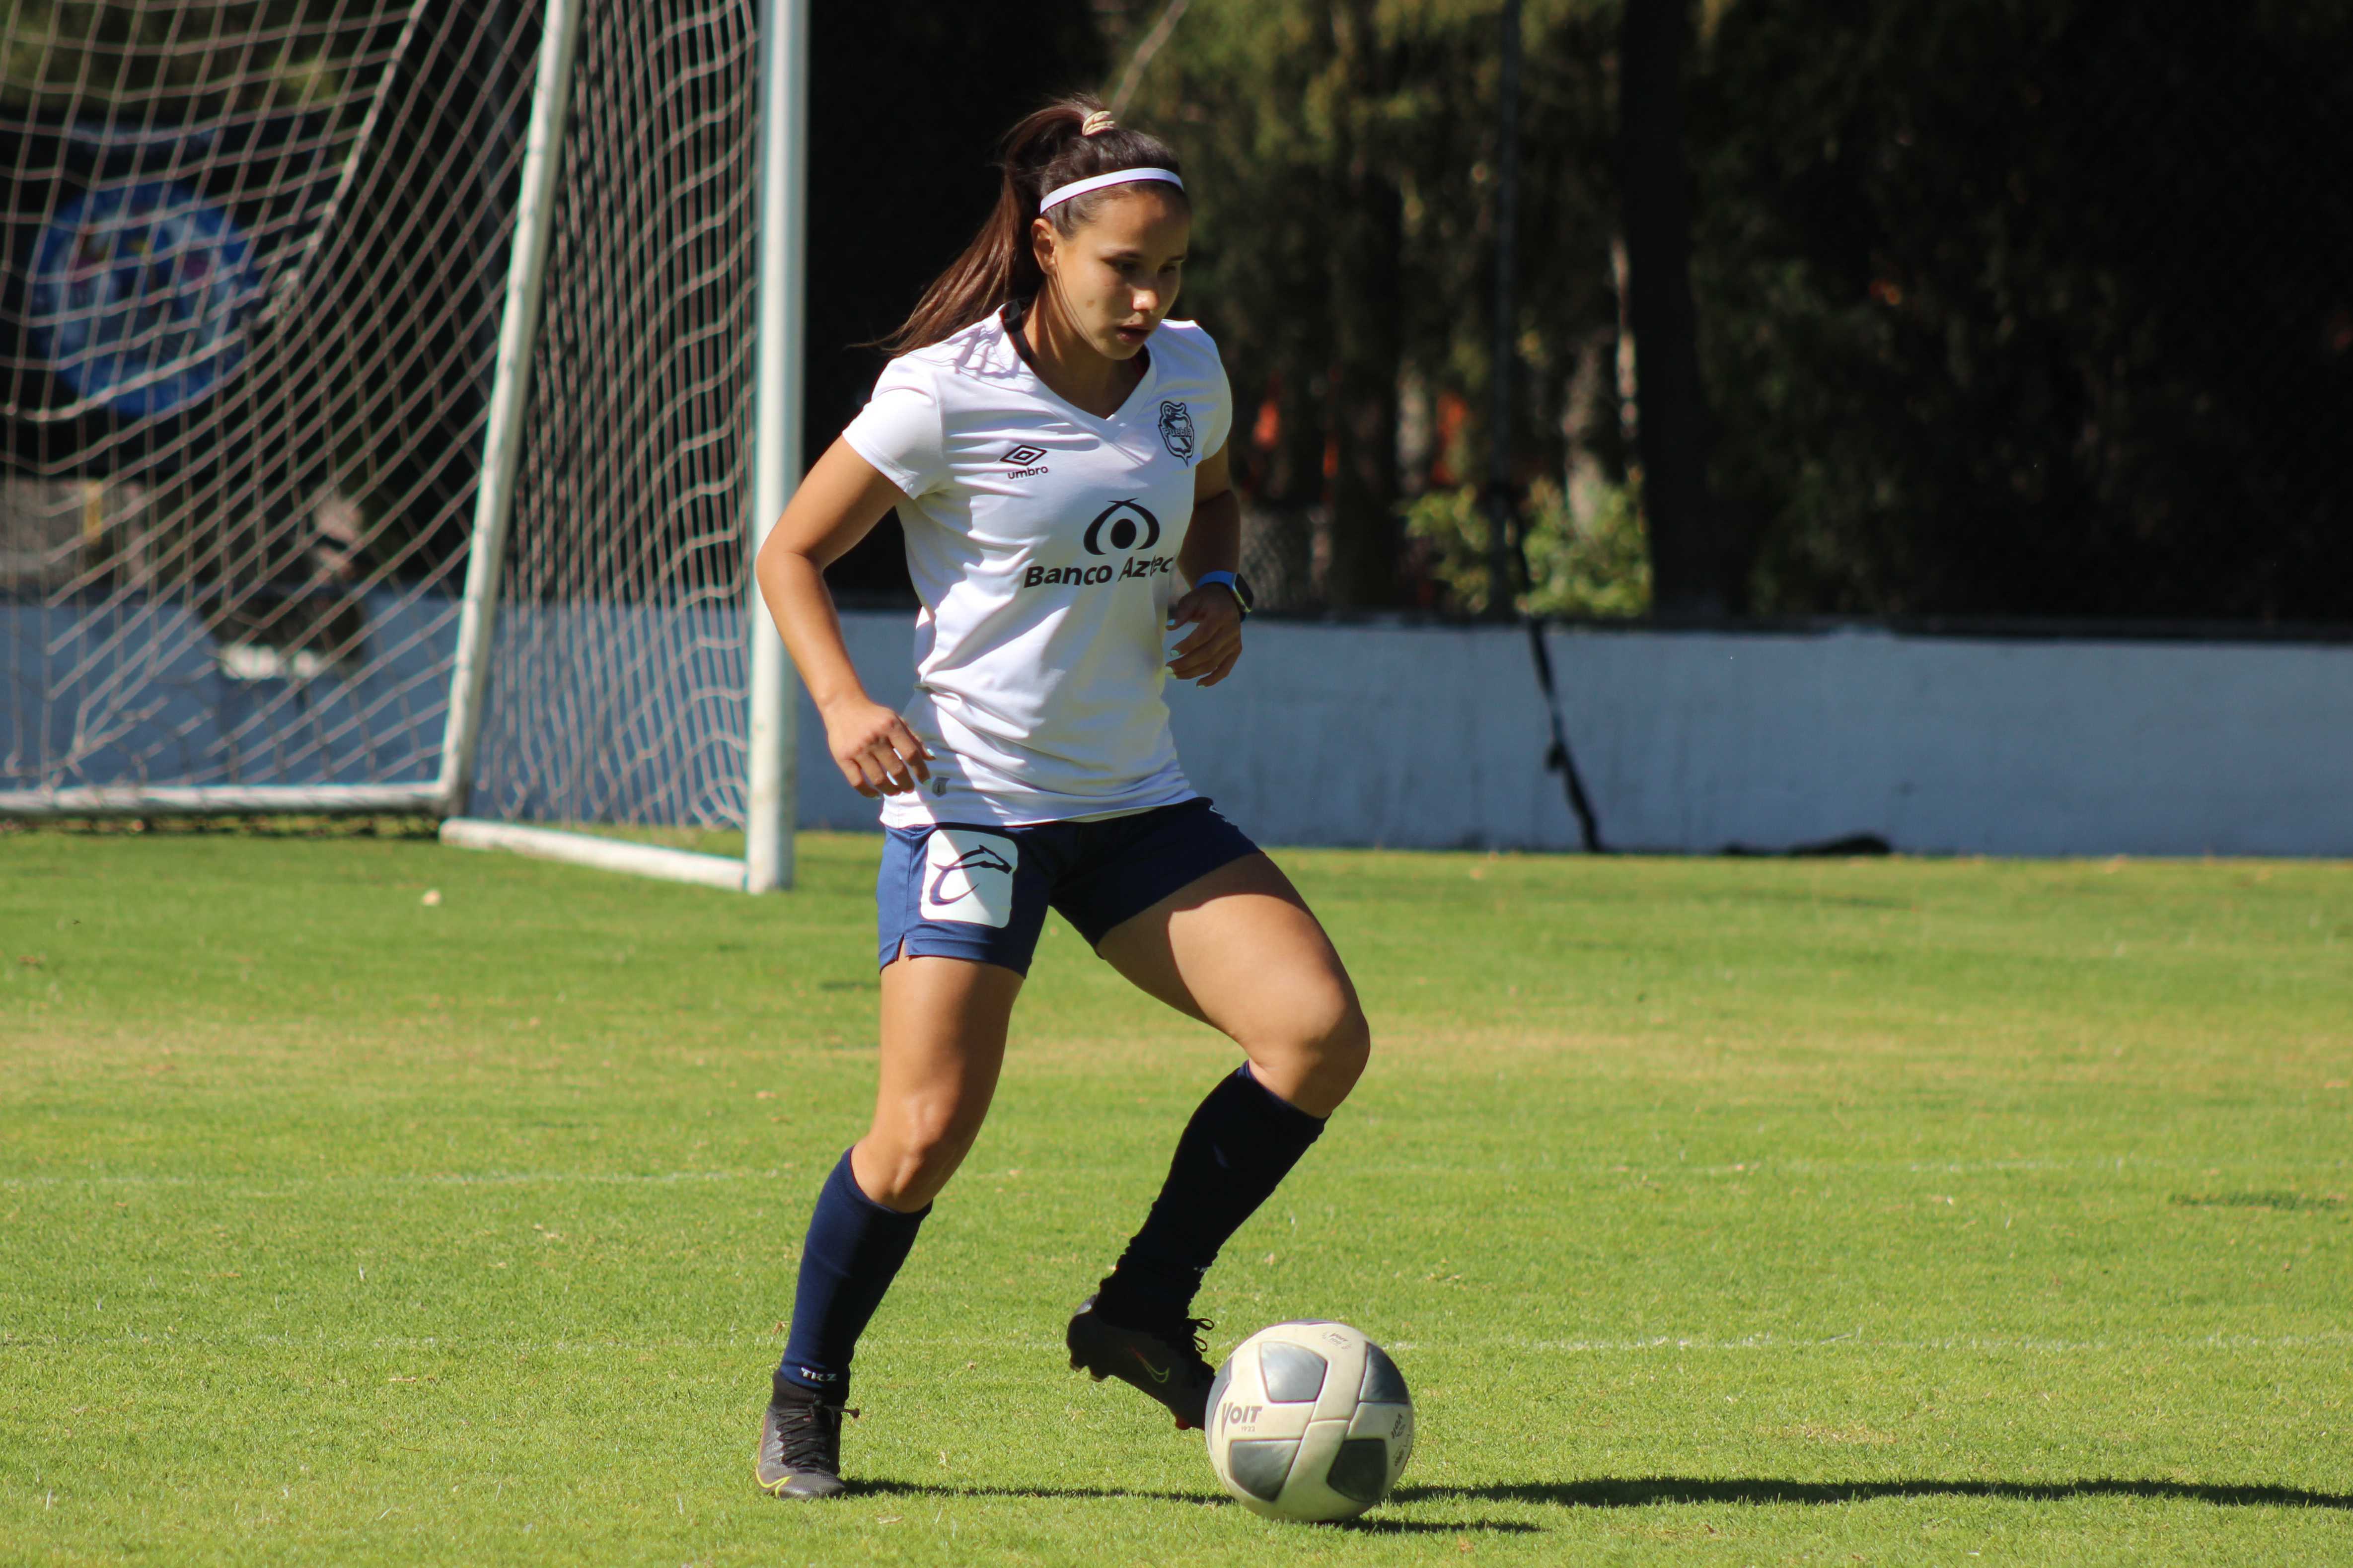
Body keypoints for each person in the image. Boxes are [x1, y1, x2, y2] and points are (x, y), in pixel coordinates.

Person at [748, 95, 1370, 1499]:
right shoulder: (942, 389)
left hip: (1134, 805)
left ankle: (1143, 1309)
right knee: (918, 1140)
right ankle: (806, 1393)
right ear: (1045, 244)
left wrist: (1220, 588)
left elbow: (1211, 499)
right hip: (970, 806)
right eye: (1124, 271)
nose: (1151, 299)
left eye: (1172, 272)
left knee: (1316, 1036)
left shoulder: (1186, 368)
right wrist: (847, 706)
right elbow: (790, 551)